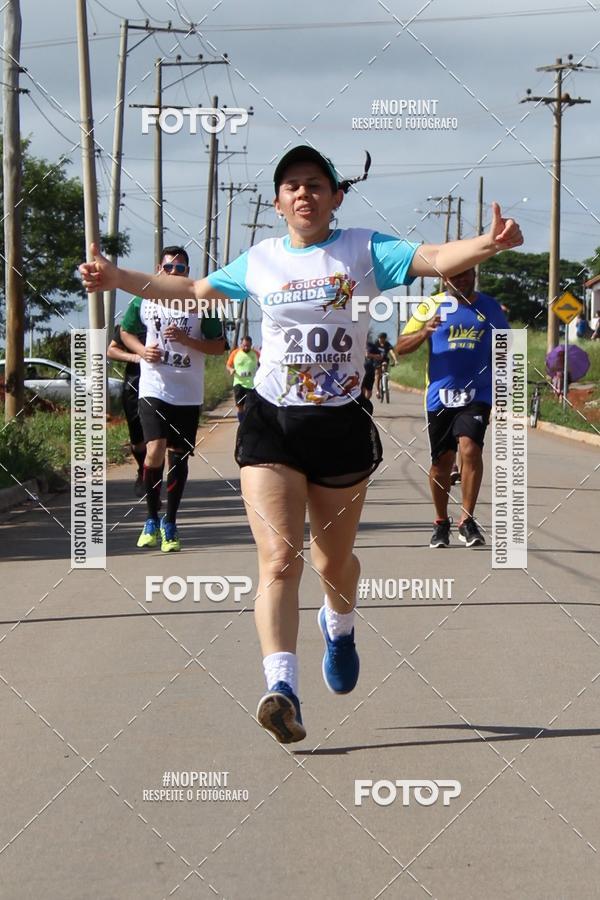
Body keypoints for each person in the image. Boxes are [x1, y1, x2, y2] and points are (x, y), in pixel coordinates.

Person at [80, 145, 523, 742]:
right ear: (278, 201)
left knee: (332, 562)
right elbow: (192, 289)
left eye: (316, 183)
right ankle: (281, 687)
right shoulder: (261, 260)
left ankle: (339, 626)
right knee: (279, 559)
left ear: (336, 196)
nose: (304, 193)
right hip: (271, 422)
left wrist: (489, 244)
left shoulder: (364, 250)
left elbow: (437, 255)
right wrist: (119, 278)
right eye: (292, 185)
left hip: (339, 425)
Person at [119, 246, 225, 552]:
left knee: (178, 456)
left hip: (187, 391)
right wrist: (141, 352)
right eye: (169, 268)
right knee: (154, 450)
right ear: (159, 269)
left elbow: (218, 347)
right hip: (154, 387)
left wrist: (188, 340)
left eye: (181, 269)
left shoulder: (201, 303)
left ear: (187, 273)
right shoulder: (144, 298)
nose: (175, 273)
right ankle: (151, 519)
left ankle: (170, 522)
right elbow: (125, 332)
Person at [396, 267, 510, 550]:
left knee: (470, 448)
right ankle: (441, 521)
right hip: (440, 397)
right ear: (444, 280)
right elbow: (400, 346)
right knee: (442, 463)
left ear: (474, 275)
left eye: (465, 275)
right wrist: (424, 331)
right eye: (454, 276)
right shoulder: (430, 306)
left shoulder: (490, 307)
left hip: (477, 393)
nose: (461, 280)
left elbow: (506, 347)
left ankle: (467, 520)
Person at [107, 323, 146, 496]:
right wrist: (135, 357)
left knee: (158, 438)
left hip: (164, 386)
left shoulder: (170, 318)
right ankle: (143, 470)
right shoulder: (131, 322)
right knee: (138, 440)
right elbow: (112, 350)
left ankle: (153, 479)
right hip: (135, 384)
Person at [226, 334, 260, 421]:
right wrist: (231, 370)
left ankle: (248, 423)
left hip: (252, 384)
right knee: (240, 406)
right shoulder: (235, 353)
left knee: (250, 406)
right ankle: (242, 423)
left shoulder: (256, 354)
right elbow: (228, 365)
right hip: (239, 383)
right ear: (241, 344)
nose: (246, 347)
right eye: (244, 345)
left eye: (248, 346)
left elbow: (262, 364)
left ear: (251, 344)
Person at [373, 332, 397, 398]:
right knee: (377, 374)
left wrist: (395, 360)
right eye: (379, 338)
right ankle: (378, 391)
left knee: (385, 366)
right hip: (377, 360)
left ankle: (385, 379)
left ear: (385, 339)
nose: (380, 340)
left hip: (384, 359)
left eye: (382, 338)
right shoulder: (376, 344)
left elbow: (391, 352)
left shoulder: (387, 344)